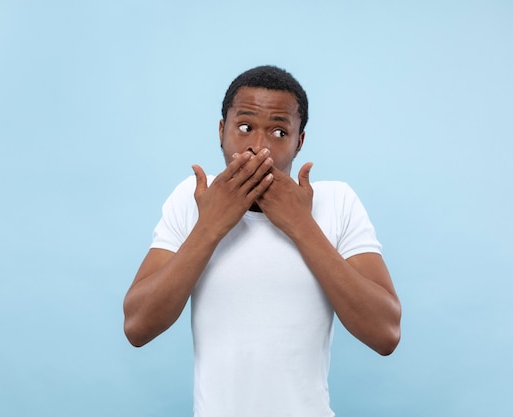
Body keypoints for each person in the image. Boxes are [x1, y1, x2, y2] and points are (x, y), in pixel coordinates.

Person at [123, 65, 401, 417]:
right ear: (222, 131)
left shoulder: (336, 201)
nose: (259, 147)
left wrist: (301, 225)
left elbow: (385, 333)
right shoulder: (192, 199)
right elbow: (137, 326)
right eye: (244, 127)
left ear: (299, 142)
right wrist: (210, 227)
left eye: (280, 132)